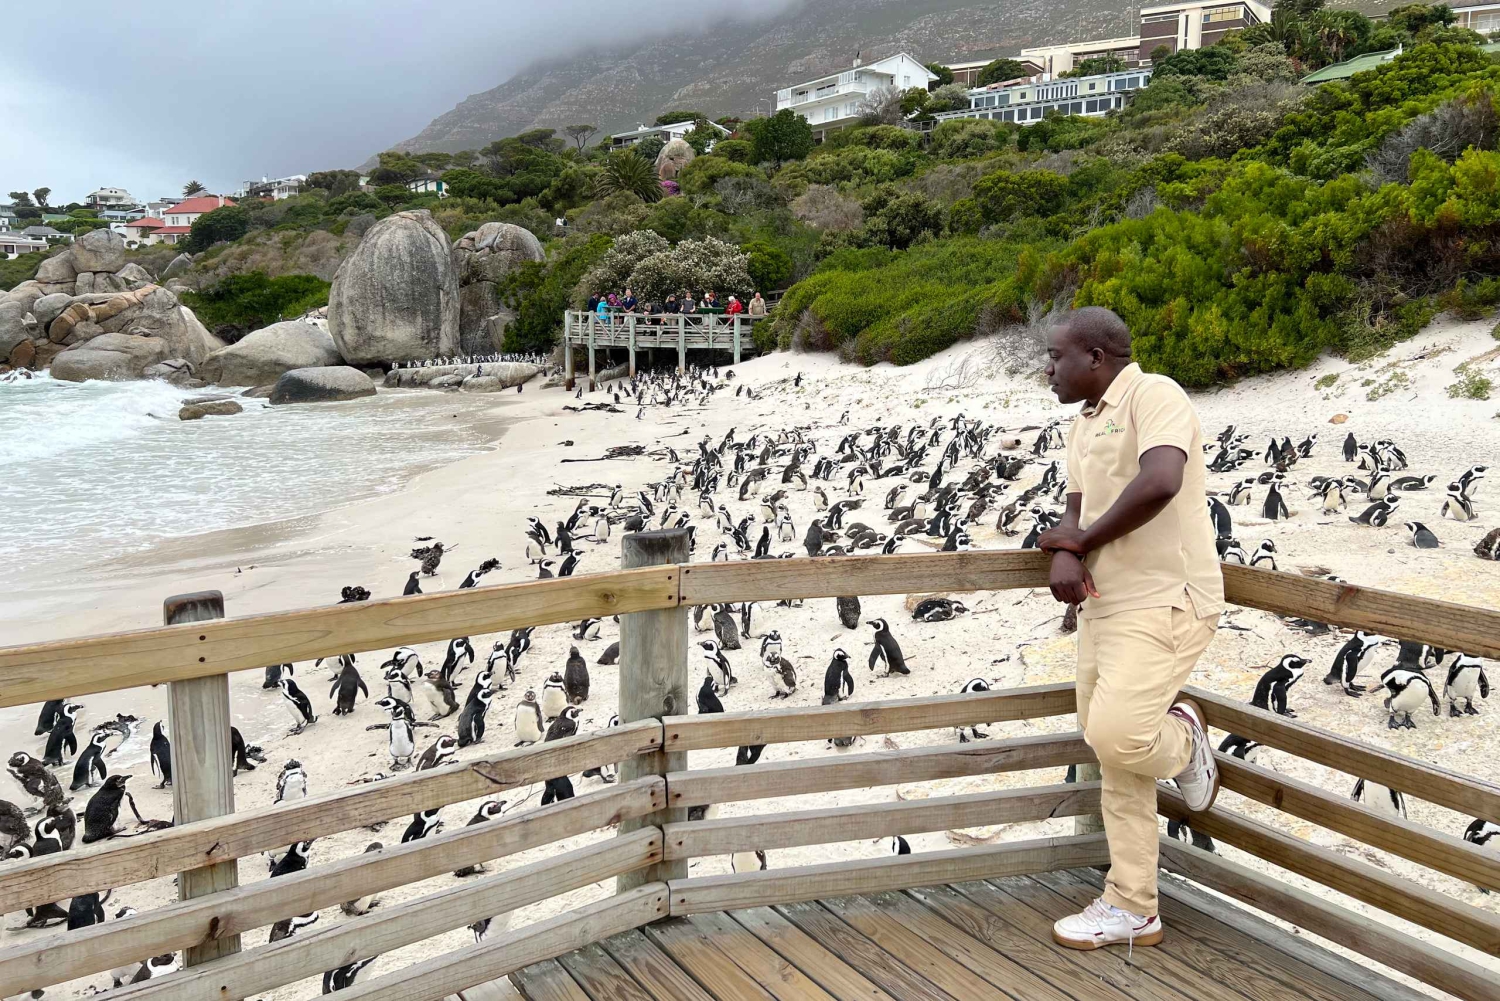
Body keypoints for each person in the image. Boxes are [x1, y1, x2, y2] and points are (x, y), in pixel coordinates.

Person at [1036, 306, 1223, 952]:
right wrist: (1069, 549)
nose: (1047, 369)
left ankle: (1185, 741)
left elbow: (1162, 480)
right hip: (1106, 602)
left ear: (1094, 357)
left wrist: (1081, 541)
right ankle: (1133, 906)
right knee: (1111, 750)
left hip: (1167, 598)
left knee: (1121, 735)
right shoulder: (1082, 425)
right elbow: (1075, 510)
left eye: (1055, 356)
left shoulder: (1155, 394)